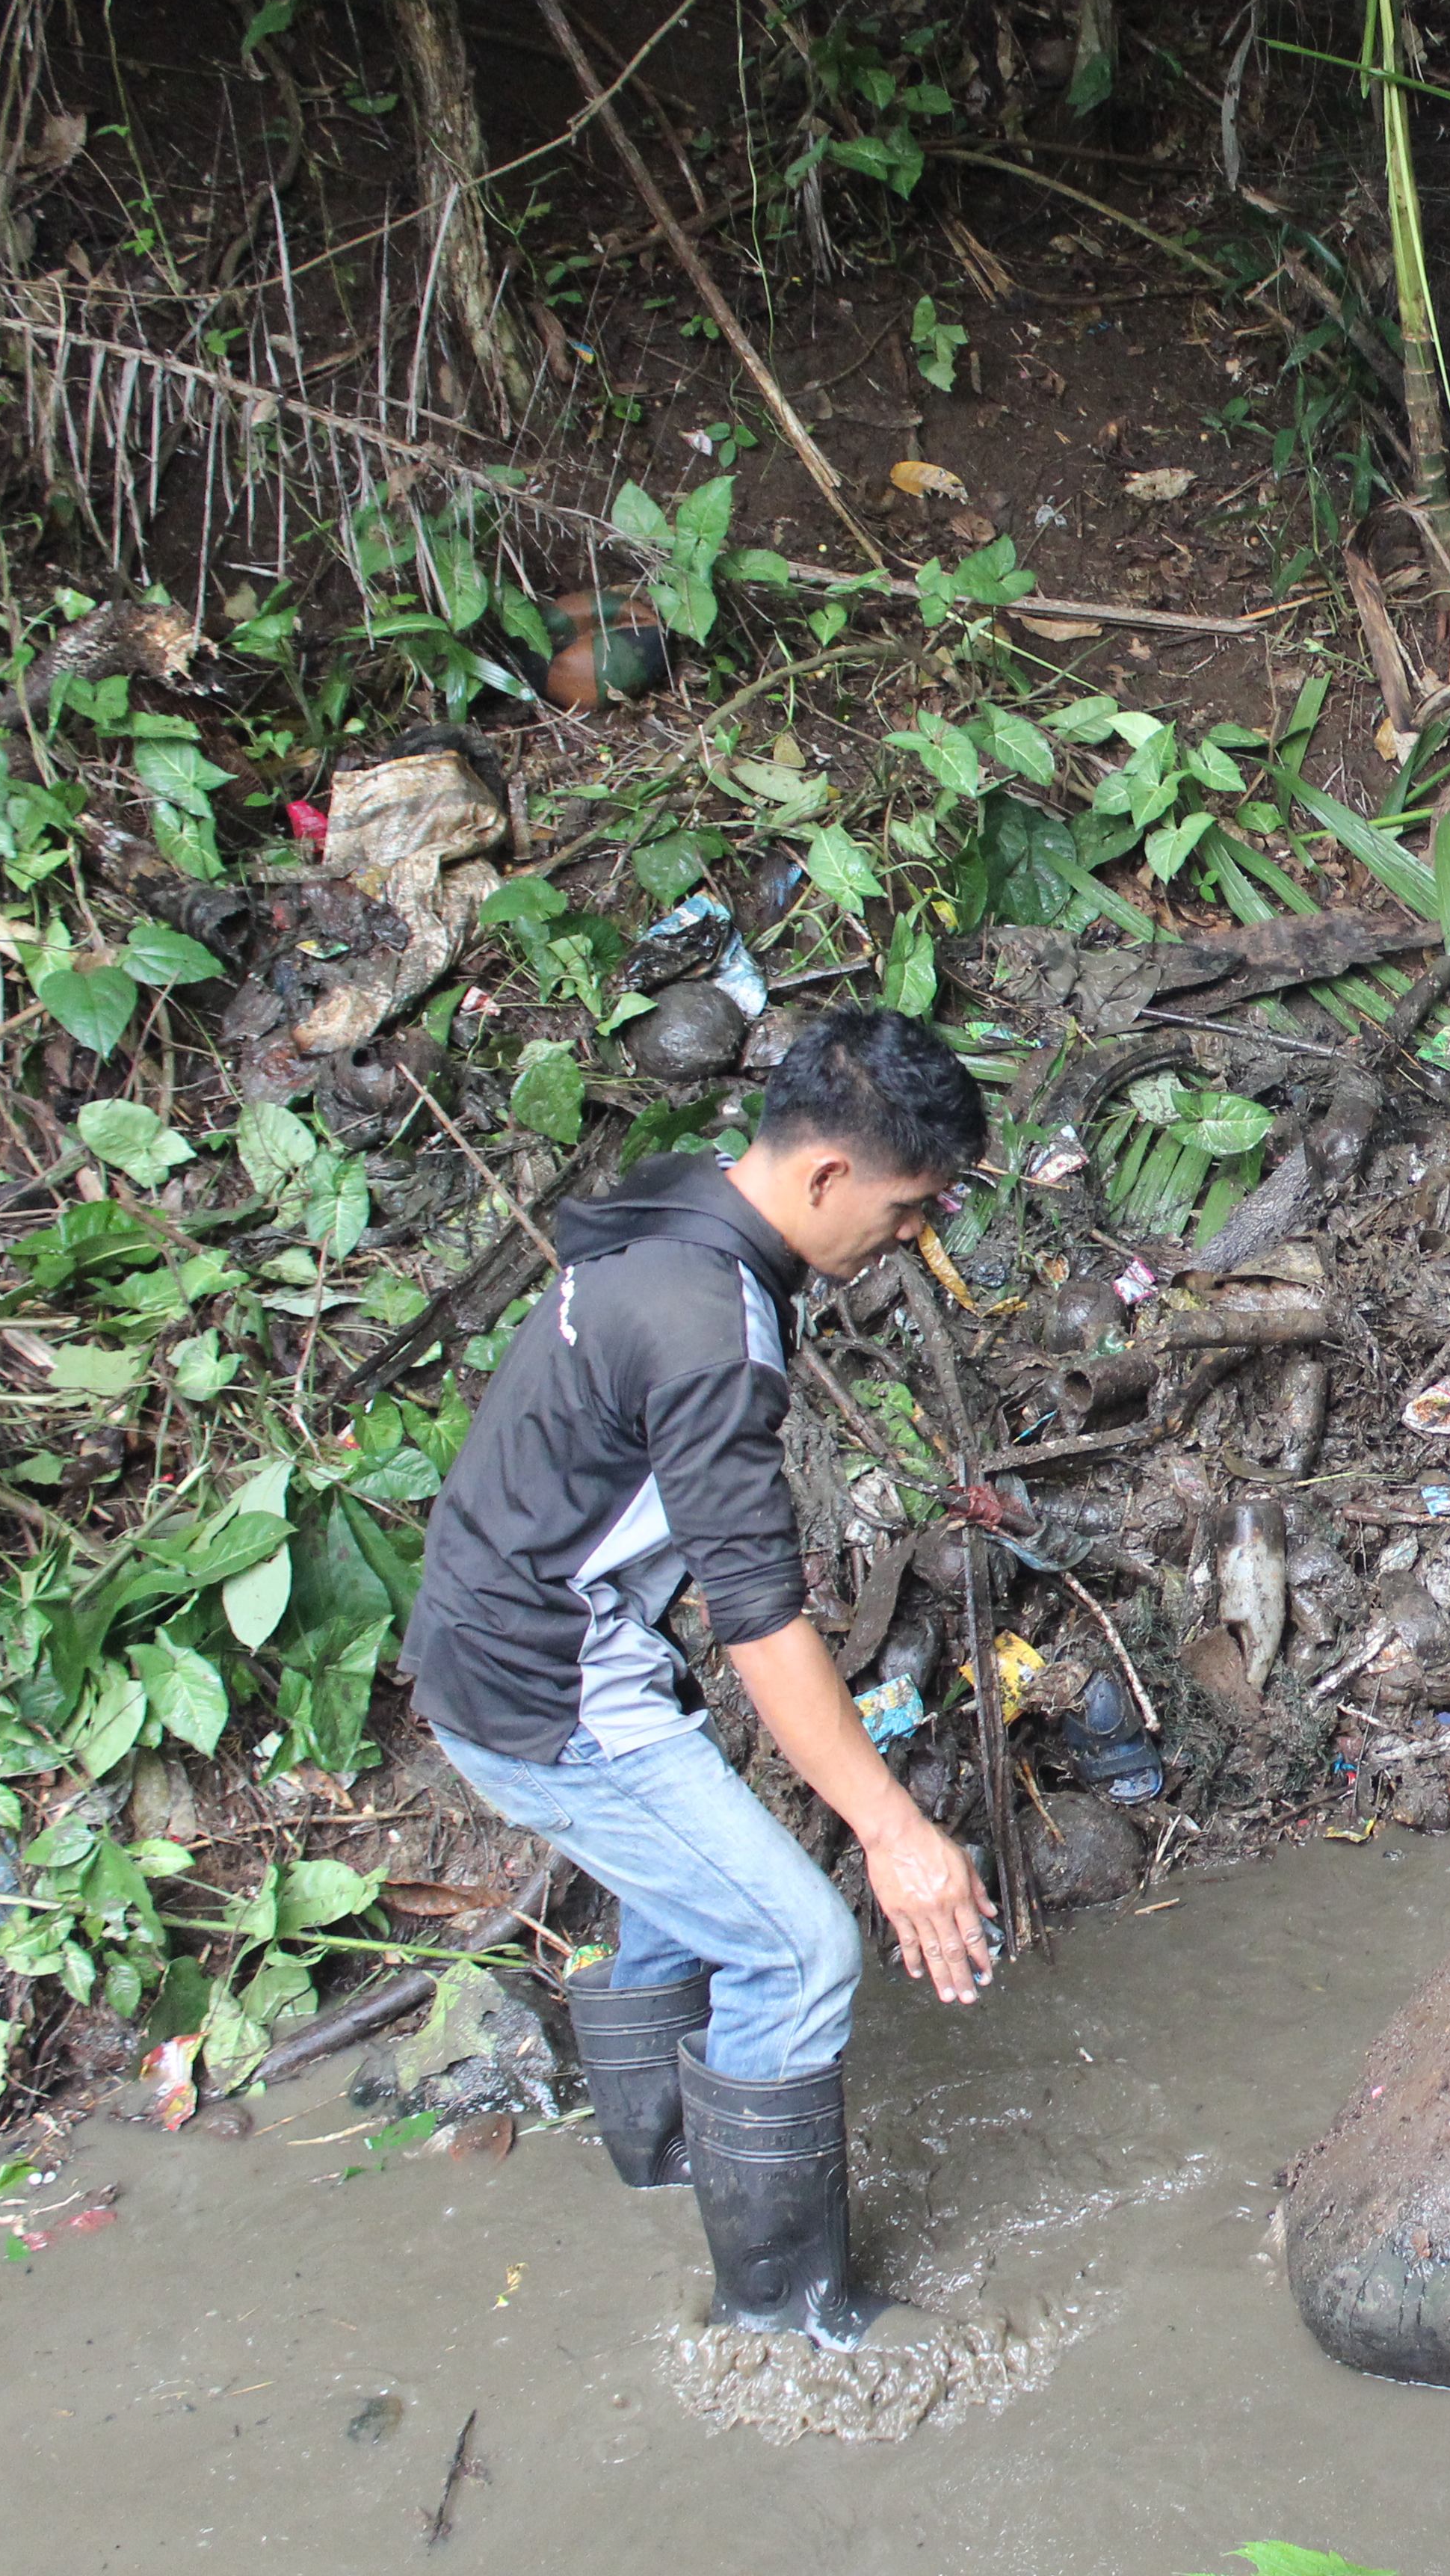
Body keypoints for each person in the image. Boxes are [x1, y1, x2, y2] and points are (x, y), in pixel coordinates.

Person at [400, 1007, 999, 2351]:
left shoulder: (679, 1212)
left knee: (692, 1903)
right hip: (546, 1683)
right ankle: (786, 2321)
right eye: (909, 1208)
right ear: (830, 1176)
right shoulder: (713, 1326)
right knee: (801, 1948)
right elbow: (759, 1616)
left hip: (500, 1636)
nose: (913, 1236)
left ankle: (661, 2164)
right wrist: (895, 1835)